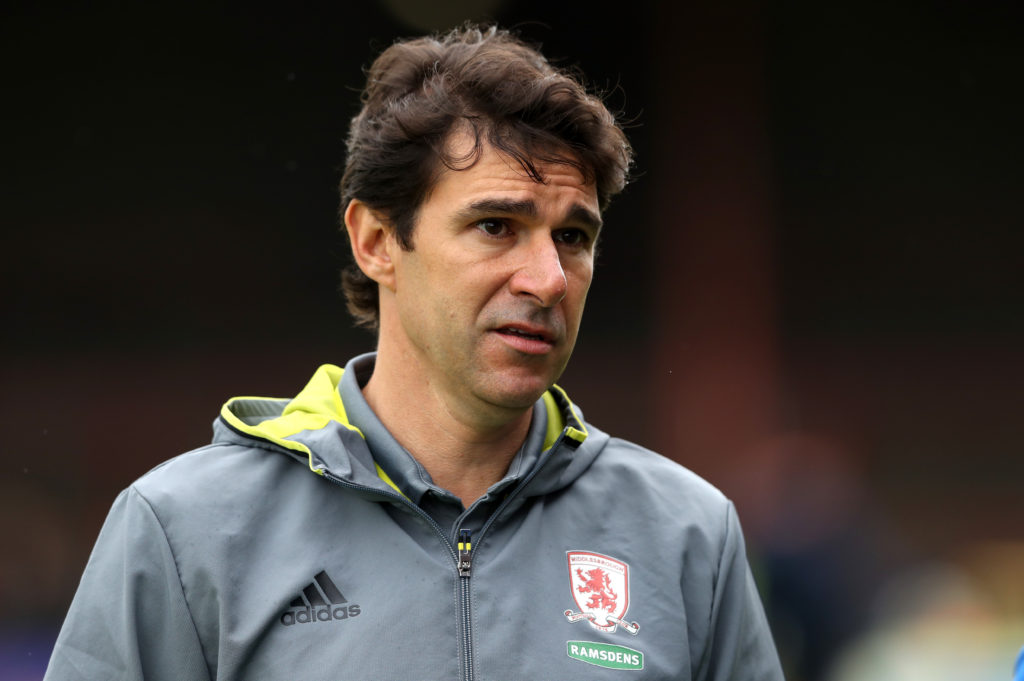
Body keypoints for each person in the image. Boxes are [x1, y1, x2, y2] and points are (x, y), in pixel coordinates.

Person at [45, 23, 784, 680]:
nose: (549, 278)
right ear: (375, 241)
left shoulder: (688, 535)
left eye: (574, 236)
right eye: (497, 225)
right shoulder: (184, 530)